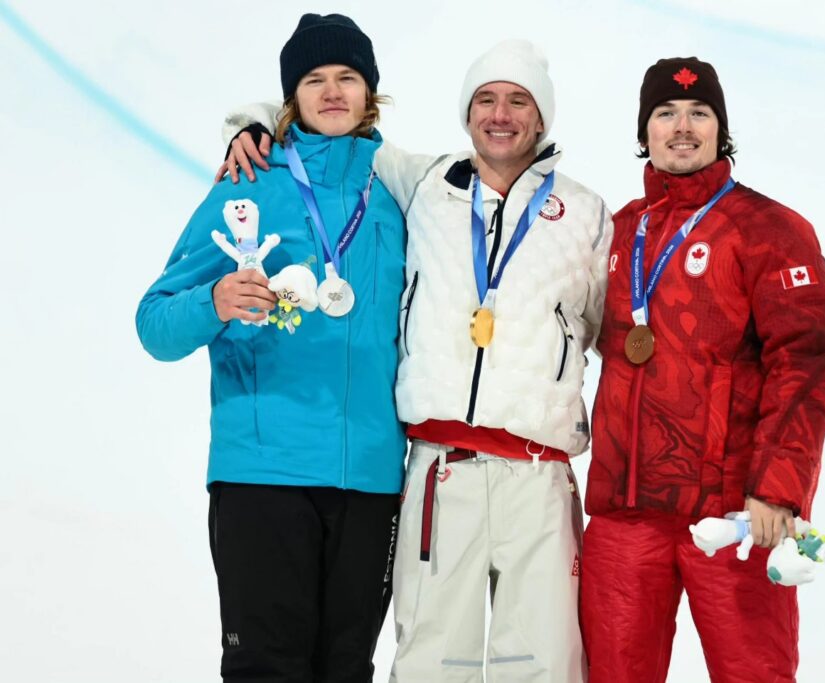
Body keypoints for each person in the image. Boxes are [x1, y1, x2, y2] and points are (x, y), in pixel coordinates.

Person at [221, 39, 612, 683]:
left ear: (542, 118)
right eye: (485, 99)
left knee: (543, 665)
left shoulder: (587, 214)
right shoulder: (423, 182)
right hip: (439, 472)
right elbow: (332, 124)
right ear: (466, 114)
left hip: (538, 478)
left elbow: (607, 333)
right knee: (433, 663)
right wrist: (256, 122)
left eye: (519, 101)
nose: (501, 114)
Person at [136, 13, 407, 683]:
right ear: (291, 97)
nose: (333, 91)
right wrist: (216, 301)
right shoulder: (247, 182)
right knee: (268, 670)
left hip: (371, 478)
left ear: (372, 91)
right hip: (264, 473)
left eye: (348, 77)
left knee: (346, 669)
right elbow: (155, 321)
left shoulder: (403, 192)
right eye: (314, 79)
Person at [581, 57, 825, 683]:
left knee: (754, 671)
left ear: (720, 129)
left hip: (733, 515)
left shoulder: (770, 230)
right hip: (625, 510)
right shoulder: (618, 232)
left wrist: (779, 488)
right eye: (665, 113)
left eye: (700, 114)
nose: (682, 127)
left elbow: (806, 363)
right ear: (643, 130)